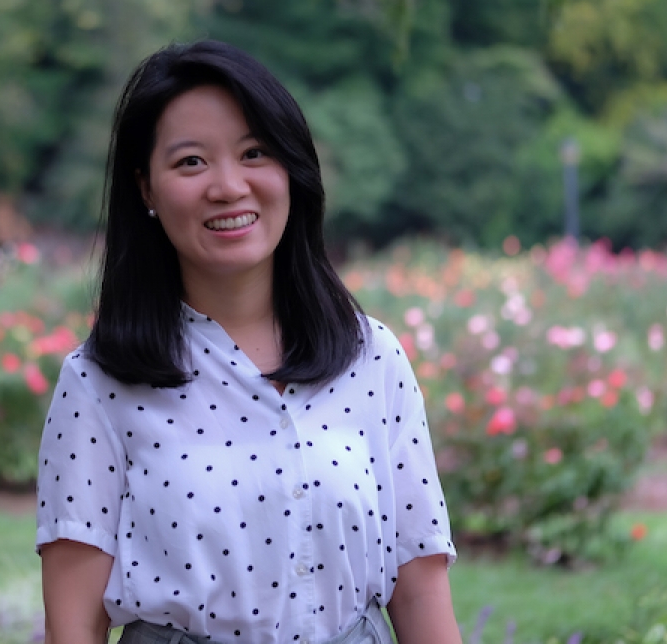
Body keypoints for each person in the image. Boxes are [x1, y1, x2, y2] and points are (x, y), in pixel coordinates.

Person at [36, 40, 461, 644]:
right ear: (147, 190)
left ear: (292, 169)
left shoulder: (373, 358)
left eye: (254, 152)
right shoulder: (98, 383)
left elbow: (419, 589)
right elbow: (73, 629)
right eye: (191, 163)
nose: (229, 186)